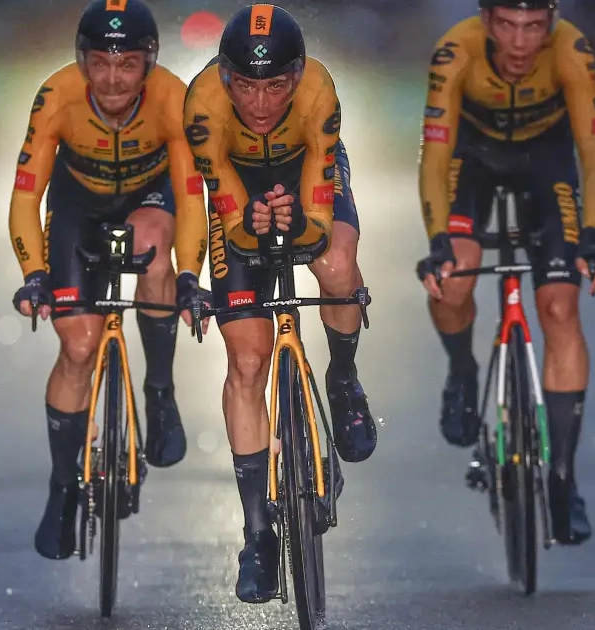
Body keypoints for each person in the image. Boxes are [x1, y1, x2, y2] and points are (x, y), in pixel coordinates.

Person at [183, 3, 374, 604]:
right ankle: (258, 535)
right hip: (236, 188)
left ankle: (343, 378)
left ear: (296, 76)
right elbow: (228, 212)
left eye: (274, 86)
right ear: (224, 77)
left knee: (337, 265)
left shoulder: (319, 90)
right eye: (245, 85)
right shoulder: (202, 104)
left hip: (306, 176)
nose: (260, 103)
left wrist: (299, 224)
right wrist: (252, 224)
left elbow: (318, 213)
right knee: (246, 358)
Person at [8, 0, 209, 561]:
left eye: (127, 64)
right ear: (82, 62)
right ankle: (62, 486)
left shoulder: (173, 98)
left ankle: (159, 392)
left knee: (153, 248)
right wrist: (33, 274)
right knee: (78, 348)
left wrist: (190, 274)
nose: (113, 79)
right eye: (100, 63)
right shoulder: (57, 95)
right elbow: (25, 195)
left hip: (150, 198)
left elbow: (191, 197)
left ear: (149, 62)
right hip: (78, 206)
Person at [415, 0, 595, 546]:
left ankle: (562, 477)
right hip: (472, 160)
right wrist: (437, 240)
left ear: (551, 22)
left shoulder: (571, 49)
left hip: (546, 163)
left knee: (560, 305)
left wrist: (593, 235)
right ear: (486, 21)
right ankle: (463, 369)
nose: (521, 43)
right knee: (453, 278)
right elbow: (435, 156)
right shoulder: (455, 50)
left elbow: (594, 150)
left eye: (533, 27)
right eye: (507, 25)